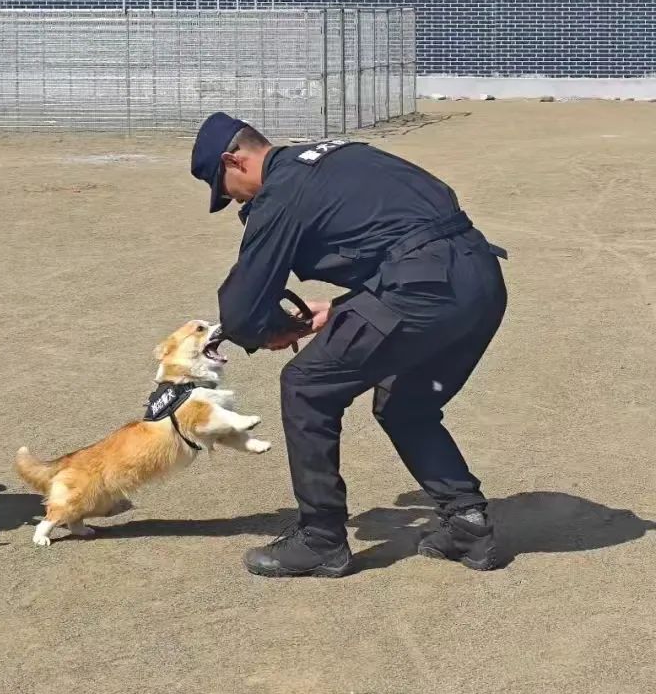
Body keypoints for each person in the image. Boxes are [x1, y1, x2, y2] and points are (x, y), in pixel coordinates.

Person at [190, 112, 509, 578]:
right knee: (407, 405)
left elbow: (241, 309)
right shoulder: (337, 154)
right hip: (479, 280)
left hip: (420, 289)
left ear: (233, 160)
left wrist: (271, 331)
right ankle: (467, 523)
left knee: (306, 385)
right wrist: (340, 310)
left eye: (225, 188)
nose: (233, 199)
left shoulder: (282, 190)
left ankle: (320, 538)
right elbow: (408, 234)